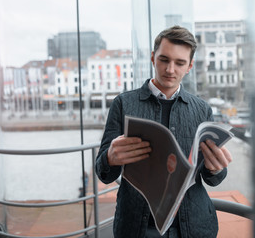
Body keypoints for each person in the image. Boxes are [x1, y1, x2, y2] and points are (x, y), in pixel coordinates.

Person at [95, 25, 232, 238]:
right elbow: (103, 173)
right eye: (164, 60)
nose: (170, 69)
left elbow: (212, 179)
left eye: (180, 63)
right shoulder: (123, 104)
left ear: (189, 66)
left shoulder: (202, 109)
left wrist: (216, 169)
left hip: (193, 226)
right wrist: (110, 158)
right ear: (152, 57)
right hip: (137, 227)